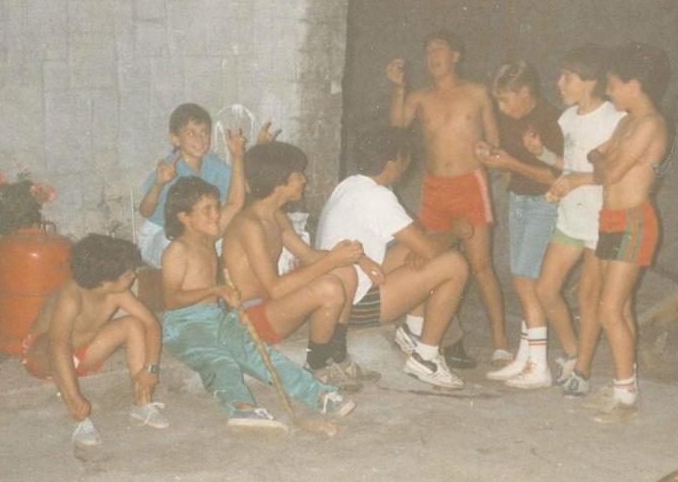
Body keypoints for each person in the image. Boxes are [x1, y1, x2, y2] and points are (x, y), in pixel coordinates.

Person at [160, 176, 354, 429]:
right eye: (206, 210)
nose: (216, 215)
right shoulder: (177, 250)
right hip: (184, 325)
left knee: (256, 351)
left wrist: (238, 156)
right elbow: (172, 299)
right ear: (184, 217)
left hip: (215, 317)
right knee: (220, 360)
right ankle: (241, 408)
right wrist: (215, 289)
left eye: (216, 207)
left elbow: (236, 201)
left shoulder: (208, 236)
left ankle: (319, 395)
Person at [386, 30, 511, 366]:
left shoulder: (476, 93)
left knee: (481, 266)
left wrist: (491, 154)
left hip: (470, 185)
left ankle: (500, 341)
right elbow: (396, 127)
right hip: (434, 189)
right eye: (428, 51)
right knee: (428, 259)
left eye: (439, 49)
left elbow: (496, 143)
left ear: (456, 55)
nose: (433, 56)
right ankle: (429, 335)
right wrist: (399, 87)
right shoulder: (420, 97)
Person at [316, 126, 471, 389]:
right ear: (392, 162)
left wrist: (421, 251)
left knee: (418, 249)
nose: (406, 165)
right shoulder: (379, 197)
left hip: (338, 291)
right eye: (404, 158)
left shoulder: (350, 184)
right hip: (354, 304)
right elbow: (432, 250)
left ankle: (413, 331)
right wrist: (457, 230)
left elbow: (417, 241)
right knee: (454, 264)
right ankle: (426, 358)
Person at [222, 141, 373, 392]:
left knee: (344, 272)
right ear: (279, 183)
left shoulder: (275, 216)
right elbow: (276, 289)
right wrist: (332, 259)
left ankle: (337, 355)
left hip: (271, 305)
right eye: (298, 176)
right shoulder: (249, 225)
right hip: (250, 319)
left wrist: (352, 257)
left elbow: (310, 256)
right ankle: (316, 366)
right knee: (329, 287)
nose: (304, 180)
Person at [522, 44, 627, 395]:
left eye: (568, 77)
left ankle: (582, 371)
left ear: (591, 82)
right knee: (545, 289)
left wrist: (574, 180)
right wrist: (544, 155)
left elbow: (613, 172)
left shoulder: (615, 119)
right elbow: (567, 165)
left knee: (588, 296)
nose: (559, 83)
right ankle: (572, 352)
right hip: (570, 217)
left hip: (601, 220)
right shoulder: (566, 118)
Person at [584, 43, 671, 422]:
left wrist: (606, 159)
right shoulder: (625, 122)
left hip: (634, 220)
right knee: (619, 307)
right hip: (610, 219)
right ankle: (625, 385)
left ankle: (625, 399)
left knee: (608, 308)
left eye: (613, 85)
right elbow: (595, 155)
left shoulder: (651, 124)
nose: (608, 92)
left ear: (635, 85)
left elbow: (610, 171)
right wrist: (605, 159)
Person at [21, 234, 166, 447]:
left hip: (83, 353)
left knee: (134, 324)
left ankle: (142, 403)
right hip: (45, 359)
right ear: (105, 281)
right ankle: (79, 418)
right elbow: (59, 345)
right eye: (128, 273)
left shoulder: (117, 292)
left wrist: (150, 369)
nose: (134, 276)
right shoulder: (71, 297)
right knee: (53, 344)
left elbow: (151, 324)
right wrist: (76, 397)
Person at [474, 61, 565, 389]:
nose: (501, 108)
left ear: (526, 92)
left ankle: (539, 366)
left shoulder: (551, 120)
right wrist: (491, 153)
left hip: (545, 201)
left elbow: (557, 176)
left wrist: (511, 163)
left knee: (527, 279)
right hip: (519, 200)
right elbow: (512, 158)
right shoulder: (511, 118)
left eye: (506, 100)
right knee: (522, 277)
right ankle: (527, 356)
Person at [137, 103, 274, 267]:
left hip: (199, 232)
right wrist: (159, 184)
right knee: (189, 247)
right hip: (162, 234)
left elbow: (241, 191)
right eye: (191, 133)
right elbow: (145, 211)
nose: (200, 139)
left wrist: (256, 150)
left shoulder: (211, 163)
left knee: (236, 234)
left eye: (204, 133)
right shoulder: (168, 168)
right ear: (175, 139)